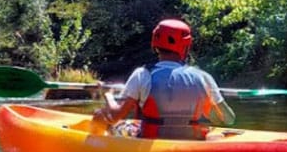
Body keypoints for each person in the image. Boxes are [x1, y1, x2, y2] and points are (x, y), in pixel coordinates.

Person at [93, 18, 235, 139]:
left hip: (150, 141)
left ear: (155, 44)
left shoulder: (142, 74)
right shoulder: (204, 78)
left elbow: (115, 116)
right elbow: (228, 119)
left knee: (100, 116)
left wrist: (108, 95)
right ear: (186, 46)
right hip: (192, 141)